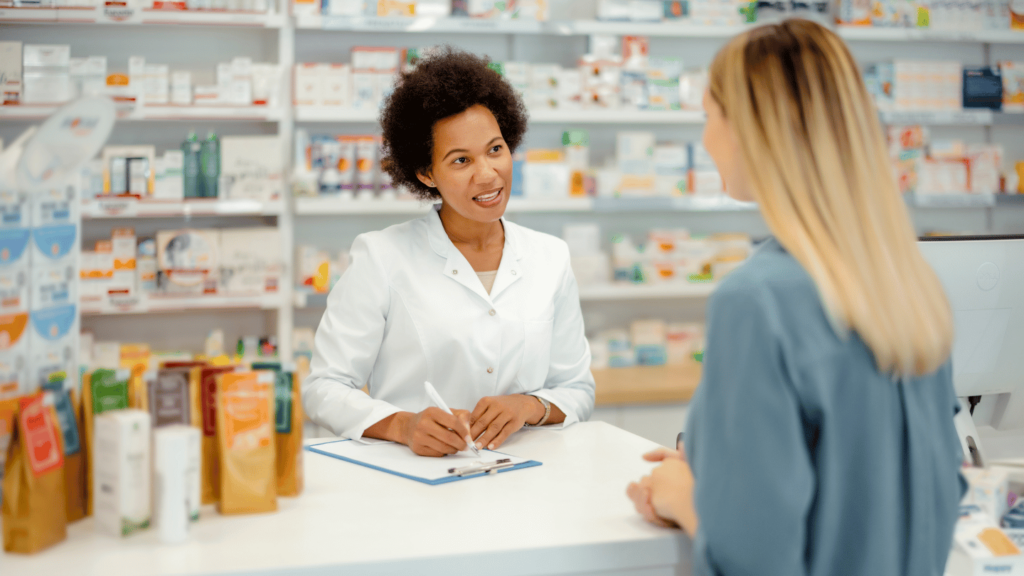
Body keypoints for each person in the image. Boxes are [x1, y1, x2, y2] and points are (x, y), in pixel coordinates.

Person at [627, 19, 965, 576]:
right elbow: (920, 489)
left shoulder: (757, 301)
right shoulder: (910, 285)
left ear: (750, 130)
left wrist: (683, 495)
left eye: (709, 116)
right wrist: (727, 469)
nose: (707, 139)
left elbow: (754, 558)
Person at [303, 48, 595, 457]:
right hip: (419, 481)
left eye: (495, 149)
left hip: (528, 479)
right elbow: (323, 388)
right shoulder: (383, 257)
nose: (488, 173)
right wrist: (403, 425)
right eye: (461, 160)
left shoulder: (550, 257)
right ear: (426, 173)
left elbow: (577, 388)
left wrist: (528, 406)